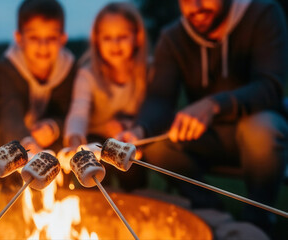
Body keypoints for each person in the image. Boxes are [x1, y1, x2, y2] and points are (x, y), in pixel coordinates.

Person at [122, 0, 288, 232]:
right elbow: (159, 98)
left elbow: (270, 86)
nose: (196, 6)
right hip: (210, 138)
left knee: (261, 128)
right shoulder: (173, 38)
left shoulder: (263, 14)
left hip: (261, 136)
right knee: (157, 145)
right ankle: (211, 211)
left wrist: (215, 105)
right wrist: (140, 130)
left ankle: (259, 220)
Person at [63, 2, 148, 191]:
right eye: (107, 38)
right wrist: (75, 140)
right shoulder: (88, 75)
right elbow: (79, 112)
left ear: (137, 38)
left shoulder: (147, 72)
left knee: (133, 170)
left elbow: (153, 110)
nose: (115, 44)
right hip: (96, 139)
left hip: (131, 139)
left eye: (122, 37)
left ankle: (135, 203)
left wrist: (130, 129)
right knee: (95, 164)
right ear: (97, 40)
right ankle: (96, 203)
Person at [0, 0, 77, 155]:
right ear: (19, 38)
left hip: (50, 144)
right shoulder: (5, 70)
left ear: (62, 39)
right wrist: (26, 143)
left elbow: (73, 114)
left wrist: (54, 127)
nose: (43, 46)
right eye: (34, 38)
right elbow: (9, 114)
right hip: (14, 141)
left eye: (51, 38)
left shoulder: (70, 70)